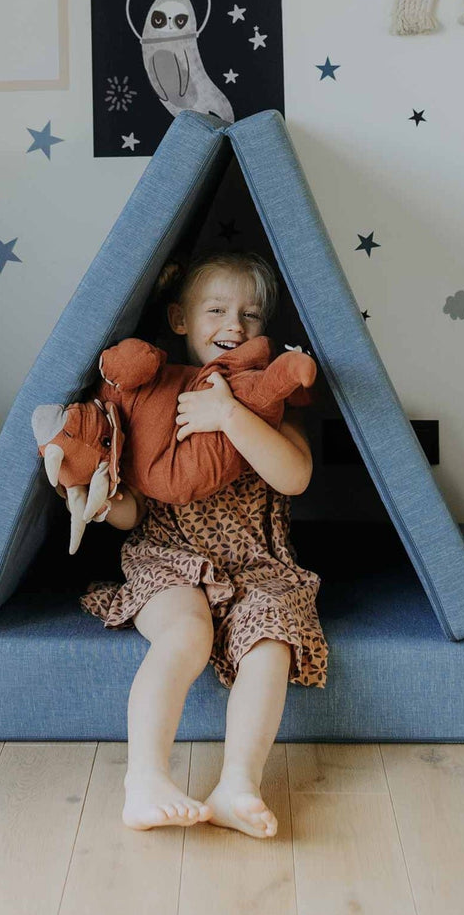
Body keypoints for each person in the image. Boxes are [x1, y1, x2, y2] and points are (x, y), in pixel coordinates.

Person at [78, 250, 329, 838]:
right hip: (168, 556)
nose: (234, 326)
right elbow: (137, 507)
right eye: (216, 309)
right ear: (180, 319)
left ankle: (238, 784)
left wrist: (228, 415)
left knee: (272, 639)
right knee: (185, 631)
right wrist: (109, 502)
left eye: (250, 314)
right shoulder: (156, 401)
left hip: (258, 565)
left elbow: (293, 476)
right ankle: (144, 778)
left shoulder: (267, 400)